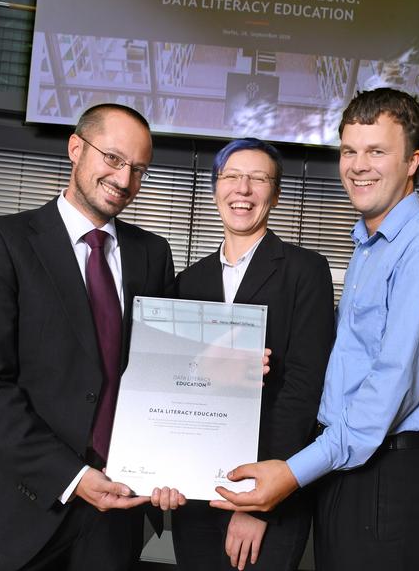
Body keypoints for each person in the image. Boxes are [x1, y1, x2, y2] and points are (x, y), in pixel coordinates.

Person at [210, 88, 419, 571]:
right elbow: (344, 361)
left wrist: (292, 472)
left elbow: (387, 391)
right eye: (350, 151)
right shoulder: (370, 245)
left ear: (413, 160)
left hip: (392, 475)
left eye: (377, 151)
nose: (358, 165)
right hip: (348, 466)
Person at [0, 103, 185, 571]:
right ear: (76, 148)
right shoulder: (1, 241)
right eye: (113, 158)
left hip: (116, 507)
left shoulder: (152, 254)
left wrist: (226, 368)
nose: (124, 178)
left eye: (138, 169)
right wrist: (72, 476)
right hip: (17, 503)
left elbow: (164, 370)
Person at [171, 138, 334, 571]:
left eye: (258, 179)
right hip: (196, 482)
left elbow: (303, 390)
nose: (243, 189)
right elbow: (172, 381)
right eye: (231, 177)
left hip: (270, 488)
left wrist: (256, 504)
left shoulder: (306, 271)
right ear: (214, 189)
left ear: (275, 195)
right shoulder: (187, 282)